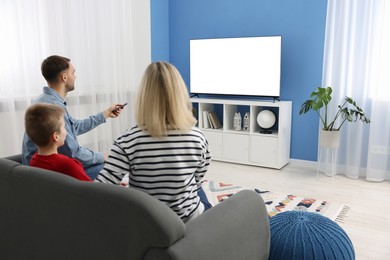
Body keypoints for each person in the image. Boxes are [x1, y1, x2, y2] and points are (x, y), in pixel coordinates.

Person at [96, 61, 212, 222]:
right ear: (180, 95)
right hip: (187, 220)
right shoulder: (198, 137)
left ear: (144, 97)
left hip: (148, 224)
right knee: (200, 192)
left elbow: (101, 189)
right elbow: (198, 178)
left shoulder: (127, 141)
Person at [22, 55, 123, 180]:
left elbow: (73, 126)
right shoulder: (53, 106)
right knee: (112, 167)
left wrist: (105, 114)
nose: (75, 77)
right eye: (73, 72)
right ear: (64, 77)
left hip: (37, 171)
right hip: (47, 176)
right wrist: (103, 156)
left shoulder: (44, 99)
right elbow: (74, 154)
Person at [25, 103, 92, 181]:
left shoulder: (33, 161)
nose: (66, 130)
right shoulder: (69, 165)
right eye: (64, 127)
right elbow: (91, 190)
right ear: (56, 136)